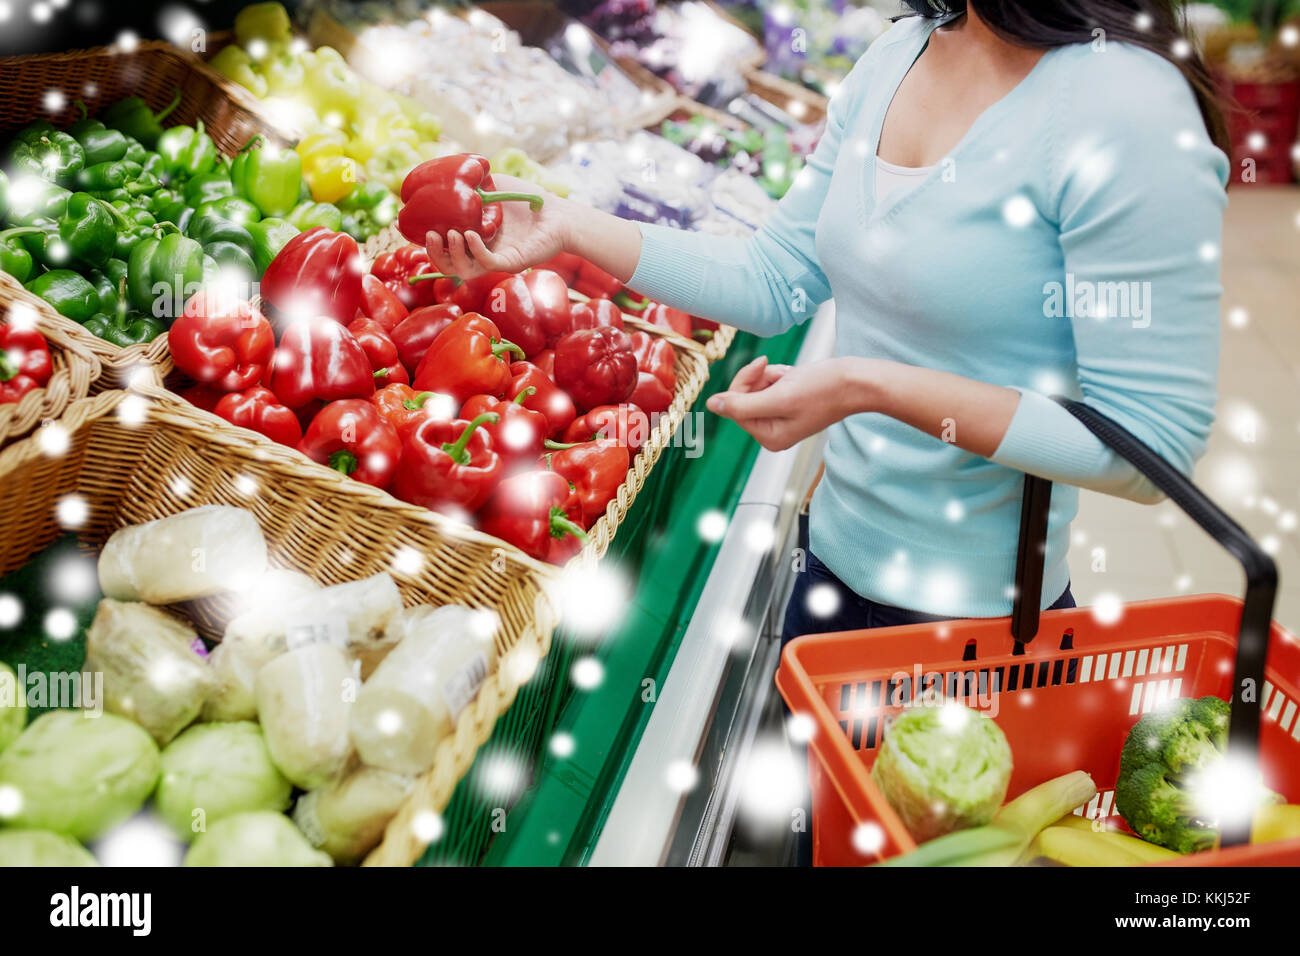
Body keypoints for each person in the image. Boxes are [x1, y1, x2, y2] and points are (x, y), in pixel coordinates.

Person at [419, 0, 1228, 643]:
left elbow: (1151, 449)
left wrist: (866, 387)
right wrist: (568, 226)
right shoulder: (900, 53)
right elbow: (775, 276)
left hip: (978, 631)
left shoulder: (1125, 108)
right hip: (824, 581)